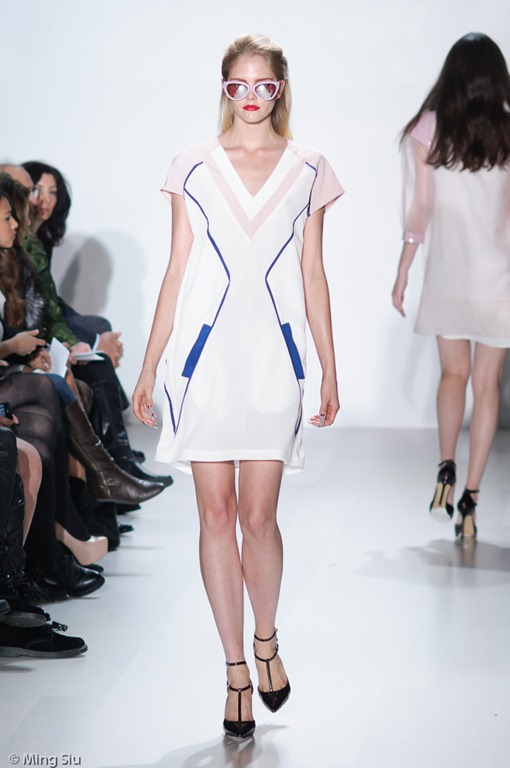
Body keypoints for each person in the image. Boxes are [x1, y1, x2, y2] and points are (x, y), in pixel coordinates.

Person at [133, 33, 342, 738]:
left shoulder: (310, 168)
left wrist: (328, 367)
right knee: (215, 516)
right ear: (223, 88)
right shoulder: (191, 166)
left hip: (273, 360)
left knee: (258, 518)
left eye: (264, 85)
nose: (251, 97)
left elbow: (313, 273)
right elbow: (176, 269)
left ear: (281, 89)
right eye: (238, 85)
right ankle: (234, 672)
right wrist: (148, 366)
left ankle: (267, 639)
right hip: (205, 360)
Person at [391, 33, 510, 539]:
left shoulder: (428, 130)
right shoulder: (507, 129)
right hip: (499, 278)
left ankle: (446, 467)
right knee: (487, 385)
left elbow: (419, 211)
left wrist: (403, 270)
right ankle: (472, 499)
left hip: (447, 272)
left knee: (452, 376)